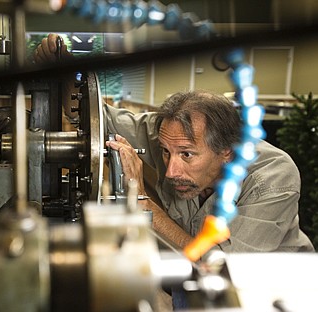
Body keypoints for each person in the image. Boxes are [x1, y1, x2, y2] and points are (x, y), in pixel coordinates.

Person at [35, 34, 315, 254]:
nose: (171, 171)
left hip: (269, 288)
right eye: (167, 153)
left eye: (187, 155)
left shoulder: (272, 178)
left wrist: (142, 202)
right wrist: (65, 72)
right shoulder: (168, 135)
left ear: (226, 152)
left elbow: (221, 266)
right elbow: (92, 117)